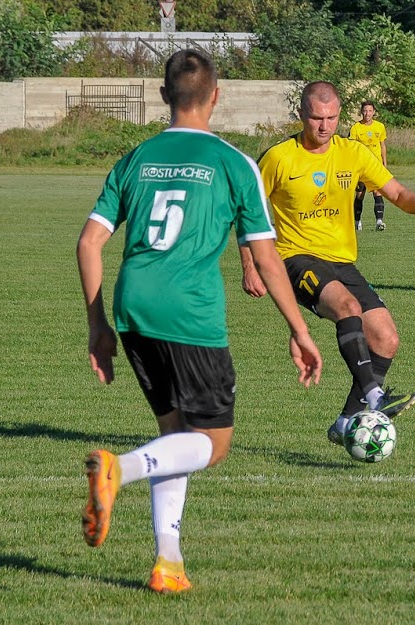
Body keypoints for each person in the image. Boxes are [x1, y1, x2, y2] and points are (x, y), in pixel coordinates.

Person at [76, 50, 322, 594]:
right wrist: (299, 330)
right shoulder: (236, 164)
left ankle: (169, 563)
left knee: (175, 435)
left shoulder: (136, 158)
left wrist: (98, 325)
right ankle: (119, 469)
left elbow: (90, 242)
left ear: (165, 96)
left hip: (133, 307)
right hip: (191, 313)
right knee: (212, 444)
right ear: (216, 96)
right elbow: (264, 256)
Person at [238, 81, 415, 447]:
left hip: (342, 261)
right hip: (294, 258)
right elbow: (244, 208)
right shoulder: (279, 157)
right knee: (347, 308)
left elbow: (396, 192)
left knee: (386, 338)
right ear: (302, 115)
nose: (324, 126)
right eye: (317, 117)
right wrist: (250, 264)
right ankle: (377, 402)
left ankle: (347, 420)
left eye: (331, 118)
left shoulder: (353, 152)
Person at [348, 101, 388, 231]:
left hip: (376, 166)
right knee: (360, 194)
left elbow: (382, 145)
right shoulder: (355, 128)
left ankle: (379, 221)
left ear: (374, 112)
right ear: (361, 112)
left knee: (377, 191)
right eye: (365, 111)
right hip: (361, 167)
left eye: (370, 111)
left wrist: (384, 163)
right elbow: (351, 149)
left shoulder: (380, 127)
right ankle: (357, 221)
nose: (367, 114)